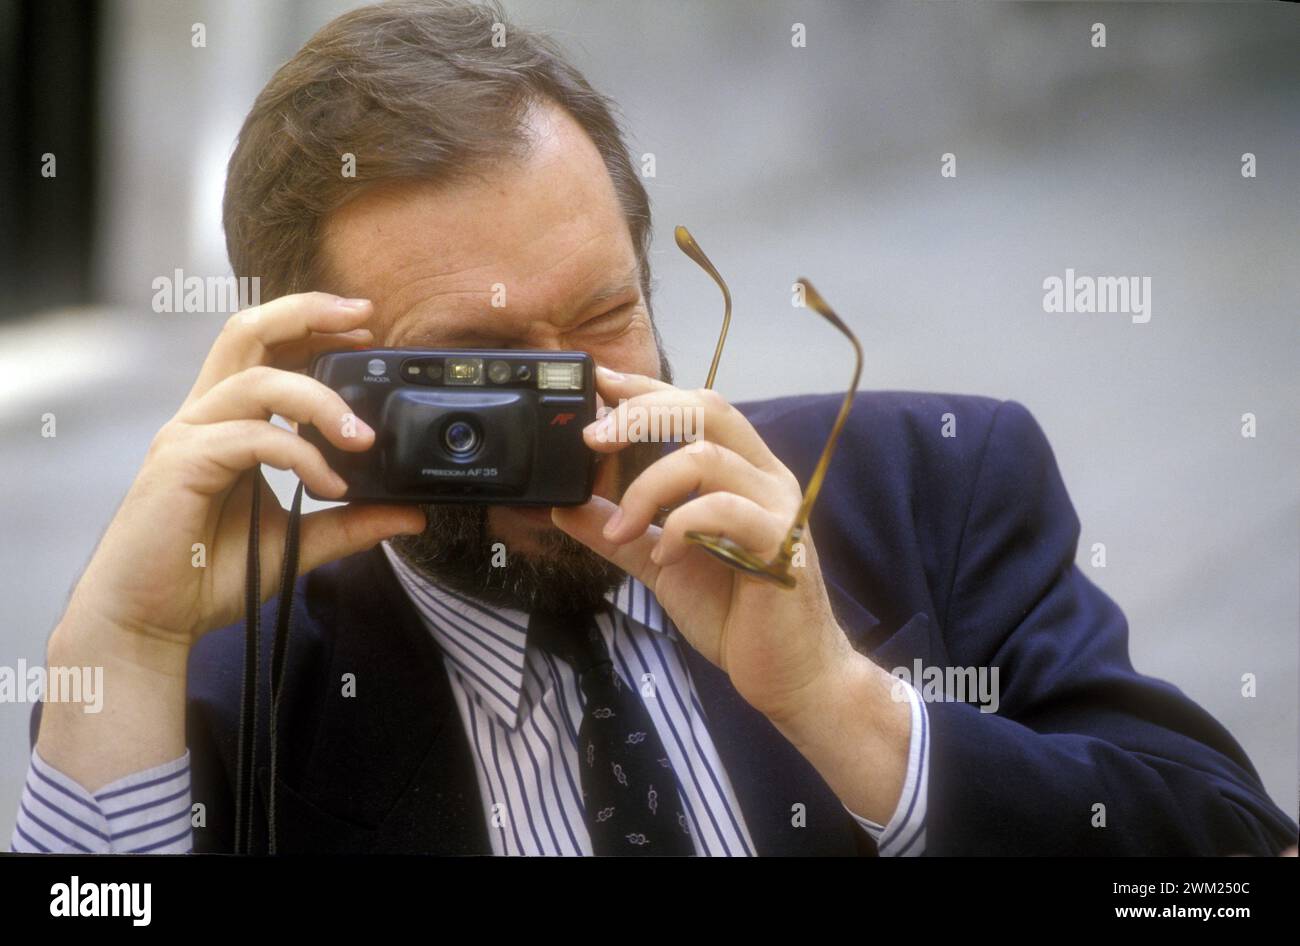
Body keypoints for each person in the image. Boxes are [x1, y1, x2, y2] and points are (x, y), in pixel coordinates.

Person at [11, 0, 1296, 856]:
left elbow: (1228, 863)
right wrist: (117, 646)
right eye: (485, 371)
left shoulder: (931, 496)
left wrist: (852, 715)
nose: (575, 402)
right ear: (312, 378)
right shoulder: (222, 687)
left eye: (606, 315)